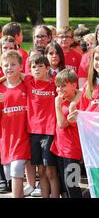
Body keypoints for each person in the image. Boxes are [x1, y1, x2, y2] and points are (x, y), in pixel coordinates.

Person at [25, 54, 60, 198]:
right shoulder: (28, 82)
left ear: (47, 68)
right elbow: (11, 76)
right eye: (34, 67)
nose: (37, 69)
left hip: (49, 132)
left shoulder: (54, 84)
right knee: (41, 171)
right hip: (33, 132)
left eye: (40, 66)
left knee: (50, 171)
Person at [0, 50, 30, 198]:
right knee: (10, 174)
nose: (9, 67)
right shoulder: (0, 88)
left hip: (23, 137)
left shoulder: (27, 85)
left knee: (17, 169)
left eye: (13, 64)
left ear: (20, 66)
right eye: (6, 65)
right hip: (6, 139)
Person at [52, 69, 83, 198]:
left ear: (74, 85)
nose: (60, 89)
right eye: (58, 86)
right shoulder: (63, 99)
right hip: (60, 148)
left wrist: (57, 107)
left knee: (72, 183)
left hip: (73, 150)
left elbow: (62, 124)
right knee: (65, 185)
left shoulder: (77, 102)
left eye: (63, 85)